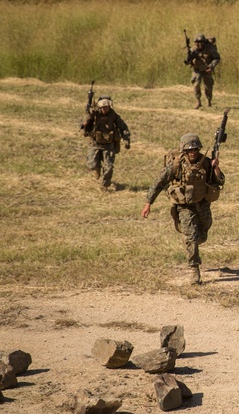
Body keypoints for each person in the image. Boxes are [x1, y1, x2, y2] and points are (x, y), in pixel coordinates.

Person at [141, 133, 225, 285]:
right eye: (189, 150)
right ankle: (194, 270)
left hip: (203, 204)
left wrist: (216, 168)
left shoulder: (206, 162)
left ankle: (191, 244)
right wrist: (148, 203)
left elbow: (220, 181)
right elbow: (159, 182)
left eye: (195, 149)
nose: (193, 152)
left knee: (202, 236)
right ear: (184, 151)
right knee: (192, 237)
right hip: (184, 207)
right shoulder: (176, 164)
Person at [81, 95, 131, 189]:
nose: (105, 109)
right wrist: (85, 123)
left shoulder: (113, 115)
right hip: (95, 144)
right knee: (92, 164)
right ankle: (97, 169)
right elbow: (84, 122)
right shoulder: (94, 114)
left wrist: (126, 140)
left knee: (109, 168)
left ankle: (105, 185)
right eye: (103, 108)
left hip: (108, 145)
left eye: (107, 107)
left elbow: (123, 127)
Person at [185, 34, 220, 109]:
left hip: (207, 69)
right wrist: (188, 59)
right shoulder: (193, 50)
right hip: (197, 70)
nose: (200, 44)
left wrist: (211, 66)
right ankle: (198, 102)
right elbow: (188, 61)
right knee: (196, 85)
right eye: (198, 42)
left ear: (204, 42)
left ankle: (209, 101)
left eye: (201, 42)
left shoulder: (210, 49)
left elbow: (217, 58)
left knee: (208, 86)